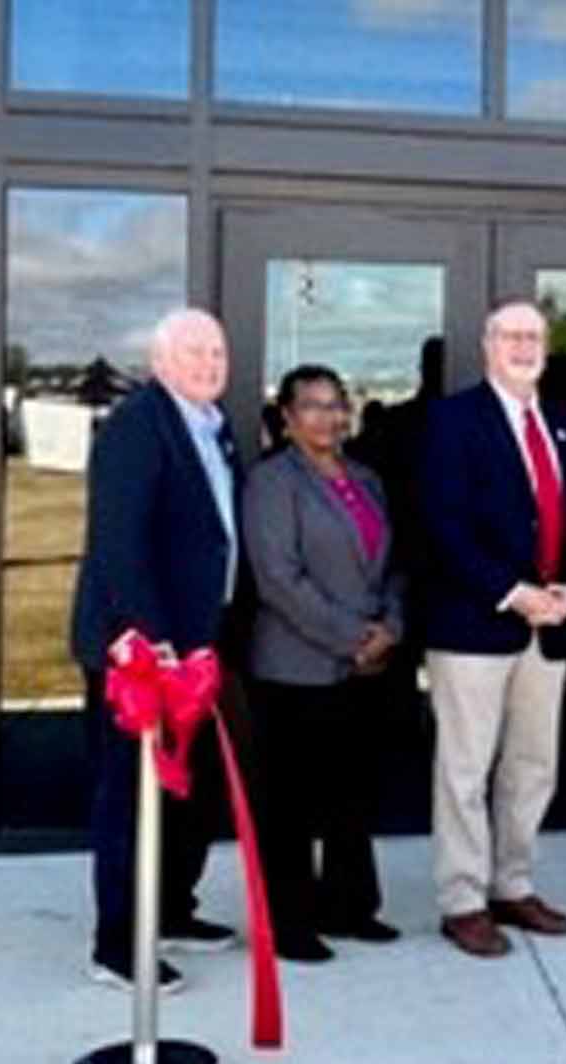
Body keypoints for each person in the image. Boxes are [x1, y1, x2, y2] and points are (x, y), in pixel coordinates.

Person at [417, 298, 566, 958]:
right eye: (511, 336)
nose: (524, 347)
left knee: (533, 766)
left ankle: (511, 884)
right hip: (475, 624)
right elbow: (442, 524)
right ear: (489, 345)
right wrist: (513, 592)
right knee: (464, 770)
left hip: (549, 629)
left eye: (534, 337)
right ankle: (463, 899)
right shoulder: (452, 420)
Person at [70, 308, 244, 992]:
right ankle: (116, 944)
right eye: (194, 353)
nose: (209, 364)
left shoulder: (212, 425)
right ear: (161, 361)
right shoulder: (139, 425)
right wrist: (155, 639)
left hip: (198, 645)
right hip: (143, 652)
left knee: (183, 793)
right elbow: (119, 542)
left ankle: (171, 910)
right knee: (128, 797)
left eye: (217, 353)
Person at [242, 365, 405, 964]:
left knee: (350, 795)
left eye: (338, 404)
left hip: (365, 664)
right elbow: (279, 580)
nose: (328, 417)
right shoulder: (272, 483)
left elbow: (389, 566)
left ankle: (350, 907)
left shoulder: (365, 479)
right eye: (312, 406)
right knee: (289, 804)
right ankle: (289, 923)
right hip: (296, 665)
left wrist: (389, 626)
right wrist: (350, 636)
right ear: (286, 418)